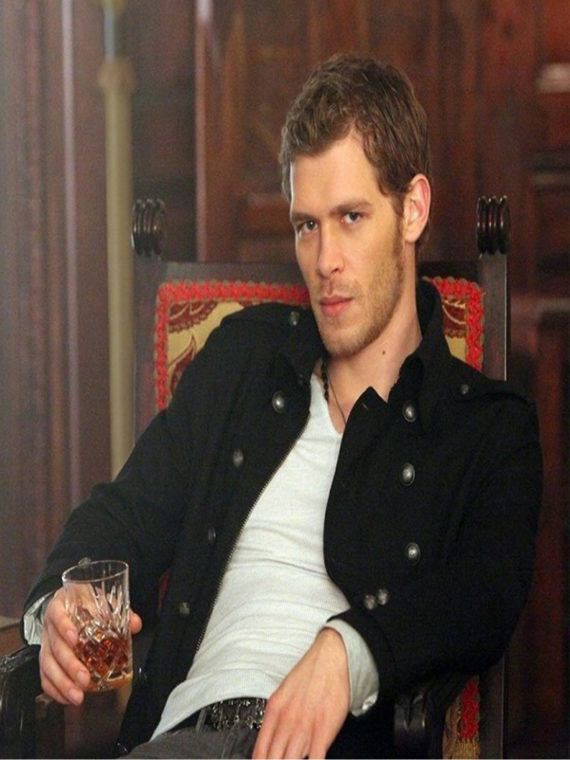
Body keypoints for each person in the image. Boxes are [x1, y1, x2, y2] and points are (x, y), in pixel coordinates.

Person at [23, 53, 542, 759]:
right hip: (184, 740)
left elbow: (484, 594)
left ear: (413, 209)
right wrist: (58, 606)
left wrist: (349, 649)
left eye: (351, 217)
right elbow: (121, 515)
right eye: (306, 225)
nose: (325, 260)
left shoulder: (486, 425)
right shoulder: (242, 360)